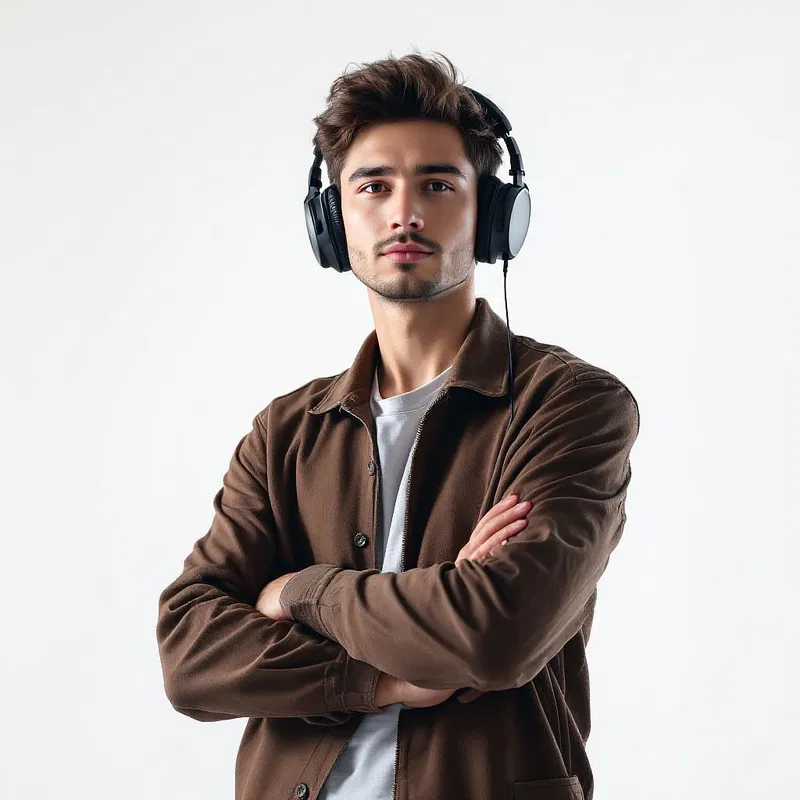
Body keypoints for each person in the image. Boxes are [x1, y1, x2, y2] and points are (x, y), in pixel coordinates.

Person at [156, 51, 640, 800]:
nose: (403, 212)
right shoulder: (285, 432)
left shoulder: (570, 407)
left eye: (438, 184)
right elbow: (191, 653)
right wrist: (379, 677)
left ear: (492, 215)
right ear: (333, 219)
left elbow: (494, 632)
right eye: (373, 185)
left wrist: (299, 593)